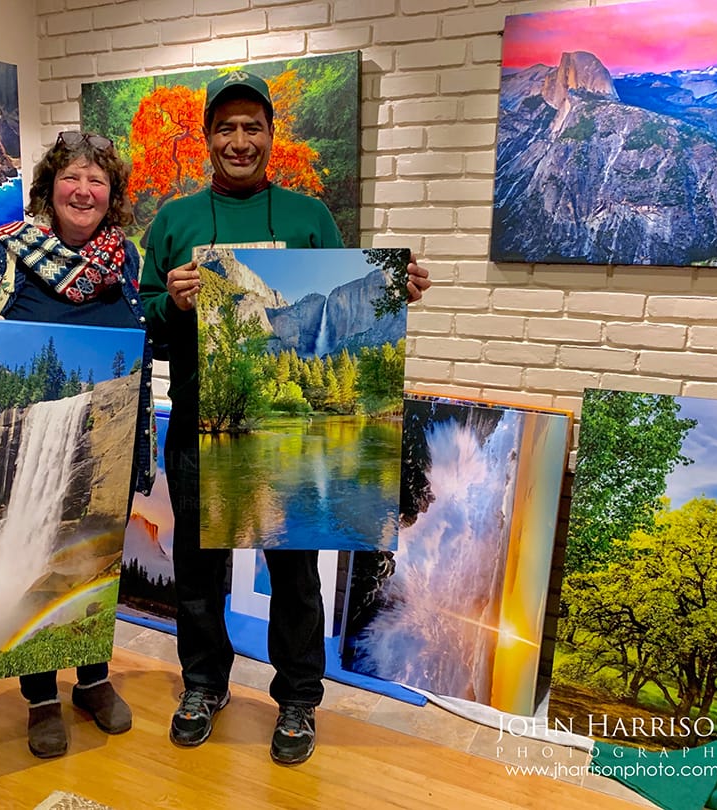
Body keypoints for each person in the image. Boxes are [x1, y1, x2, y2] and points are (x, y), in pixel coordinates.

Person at [138, 69, 432, 765]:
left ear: (271, 135)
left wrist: (396, 291)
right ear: (207, 137)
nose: (240, 140)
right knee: (199, 569)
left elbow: (347, 297)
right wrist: (171, 303)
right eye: (226, 127)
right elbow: (143, 317)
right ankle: (205, 685)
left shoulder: (309, 218)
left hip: (274, 430)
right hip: (196, 423)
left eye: (253, 127)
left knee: (295, 569)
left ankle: (298, 696)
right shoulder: (174, 221)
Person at [0, 130, 154, 759]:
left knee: (91, 561)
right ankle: (39, 697)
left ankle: (92, 680)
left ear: (111, 195)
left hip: (105, 439)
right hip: (31, 442)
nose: (84, 190)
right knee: (35, 558)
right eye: (72, 177)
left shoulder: (127, 263)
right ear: (49, 187)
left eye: (98, 180)